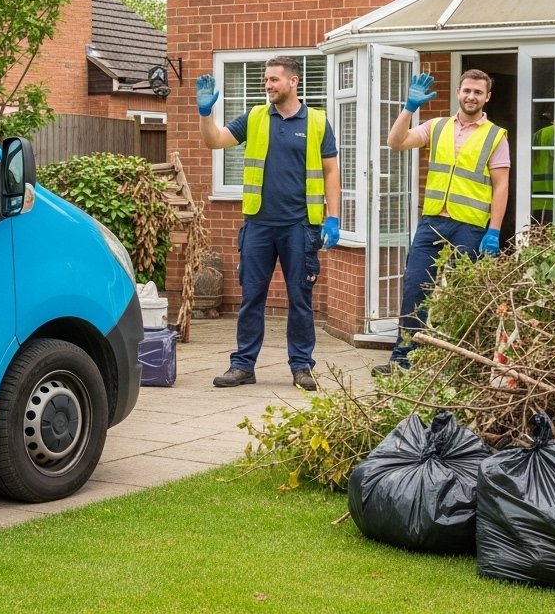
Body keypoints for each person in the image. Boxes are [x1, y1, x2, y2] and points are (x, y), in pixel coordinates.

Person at [195, 57, 340, 392]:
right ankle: (242, 365)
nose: (268, 85)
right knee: (251, 298)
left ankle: (302, 366)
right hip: (259, 224)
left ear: (293, 81)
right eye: (266, 80)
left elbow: (331, 171)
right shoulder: (256, 117)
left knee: (300, 299)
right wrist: (205, 114)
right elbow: (214, 141)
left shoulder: (317, 121)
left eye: (274, 79)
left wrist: (333, 216)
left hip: (300, 226)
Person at [376, 69, 510, 375]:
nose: (471, 96)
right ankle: (404, 361)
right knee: (414, 289)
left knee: (463, 294)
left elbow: (501, 185)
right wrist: (409, 107)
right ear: (458, 92)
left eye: (478, 92)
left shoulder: (495, 136)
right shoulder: (436, 127)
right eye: (467, 90)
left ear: (487, 97)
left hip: (471, 226)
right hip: (433, 221)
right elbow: (395, 142)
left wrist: (494, 230)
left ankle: (459, 363)